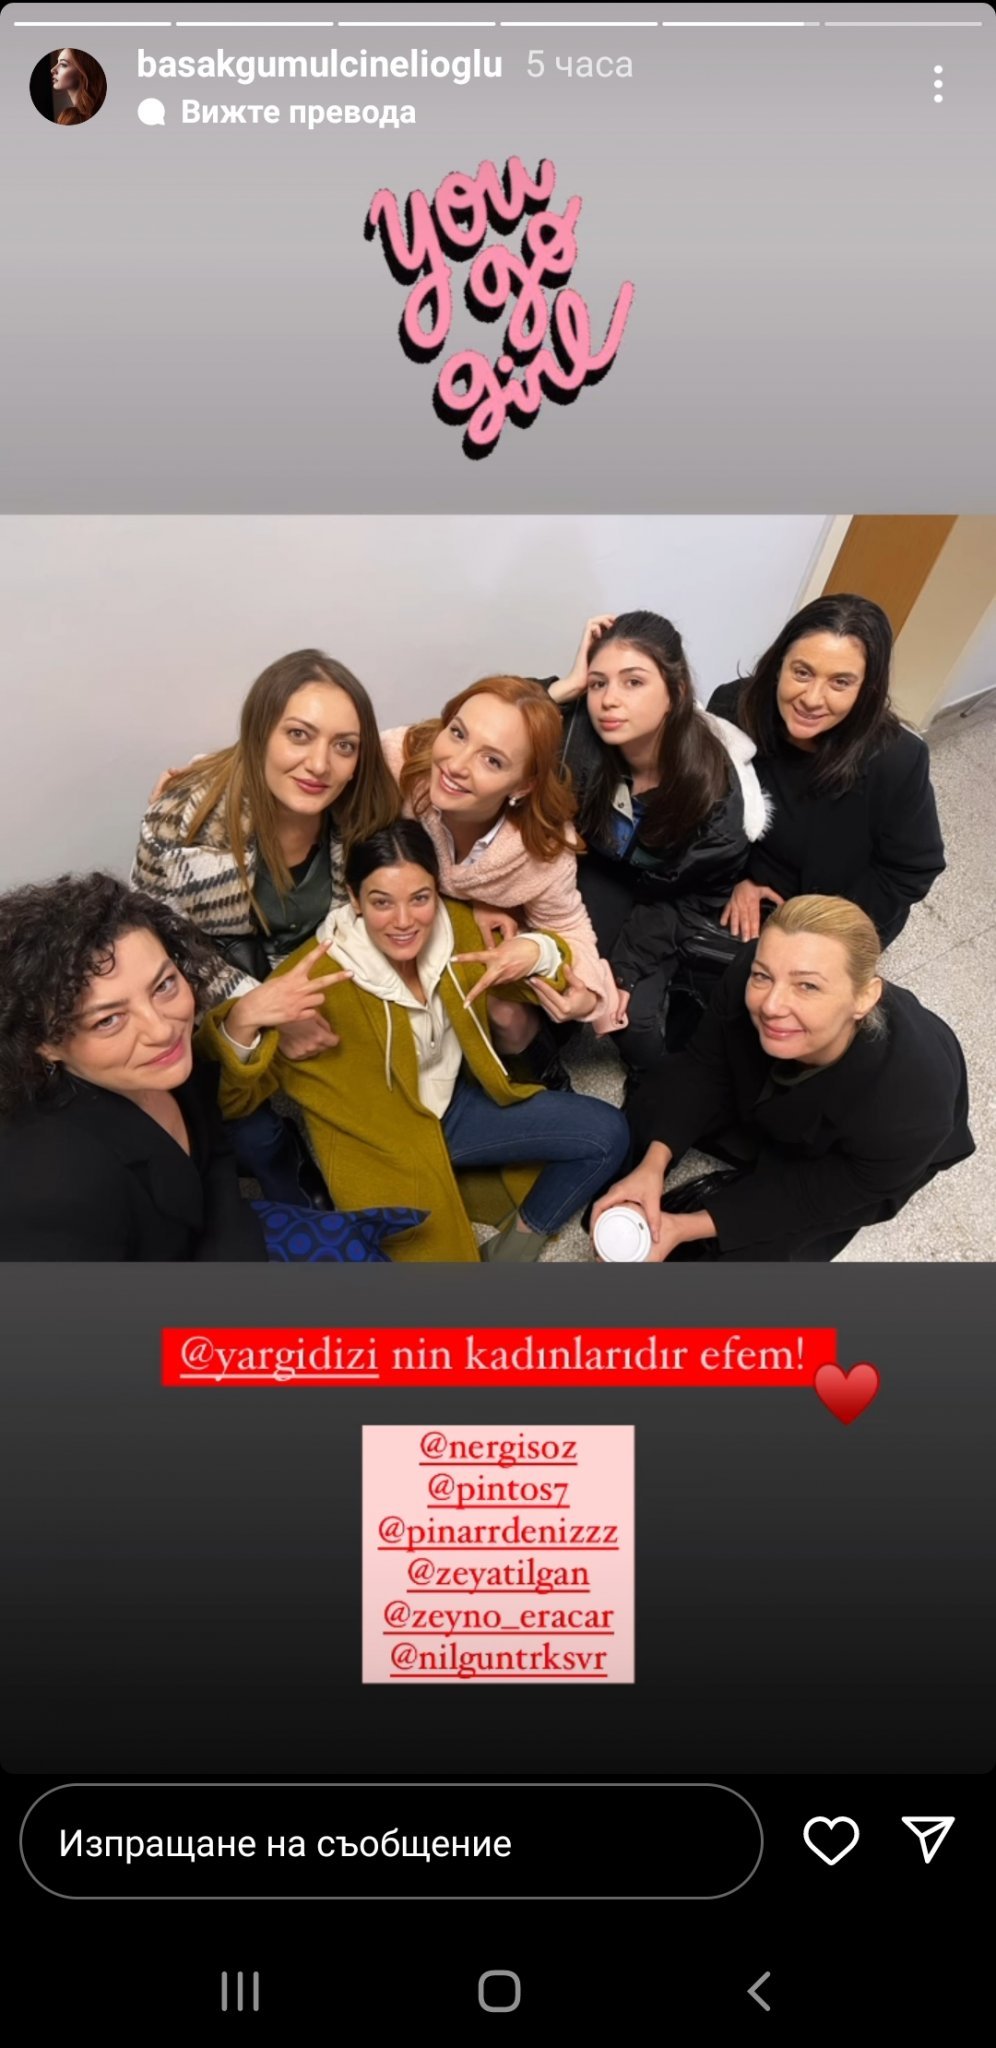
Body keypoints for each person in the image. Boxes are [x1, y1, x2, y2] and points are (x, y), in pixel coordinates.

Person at [197, 822, 631, 1263]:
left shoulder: (460, 927)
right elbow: (229, 1101)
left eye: (420, 898)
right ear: (354, 899)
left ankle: (512, 1249)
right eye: (382, 902)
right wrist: (243, 1019)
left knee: (609, 1134)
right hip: (380, 1146)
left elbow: (548, 976)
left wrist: (538, 950)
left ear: (436, 891)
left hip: (457, 1109)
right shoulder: (309, 979)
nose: (404, 921)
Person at [132, 648, 400, 1201]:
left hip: (318, 967)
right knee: (243, 1126)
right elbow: (162, 948)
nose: (320, 764)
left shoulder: (361, 809)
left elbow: (448, 743)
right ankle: (287, 1168)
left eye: (344, 745)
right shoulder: (185, 819)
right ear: (260, 732)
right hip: (217, 982)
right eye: (299, 735)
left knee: (384, 1084)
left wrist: (556, 691)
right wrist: (266, 1010)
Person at [592, 894, 973, 1263]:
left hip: (850, 1155)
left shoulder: (913, 1105)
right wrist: (653, 1166)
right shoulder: (750, 969)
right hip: (770, 1088)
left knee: (754, 1255)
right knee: (655, 1101)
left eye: (807, 986)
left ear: (864, 997)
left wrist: (682, 1227)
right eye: (764, 976)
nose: (771, 1005)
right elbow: (705, 1066)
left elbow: (809, 1198)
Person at [543, 611, 769, 1068]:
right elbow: (498, 725)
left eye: (633, 682)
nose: (608, 700)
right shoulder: (579, 736)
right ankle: (541, 1063)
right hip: (601, 870)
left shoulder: (718, 799)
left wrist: (623, 970)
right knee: (562, 974)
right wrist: (566, 687)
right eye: (598, 683)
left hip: (670, 901)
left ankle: (654, 1090)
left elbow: (696, 898)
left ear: (676, 693)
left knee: (633, 1021)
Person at [0, 873, 266, 1261]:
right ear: (45, 1044)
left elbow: (214, 1164)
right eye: (108, 1020)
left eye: (164, 985)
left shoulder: (158, 1063)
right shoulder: (53, 1191)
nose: (162, 1029)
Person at [380, 676, 628, 1076]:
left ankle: (545, 1073)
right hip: (425, 915)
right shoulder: (400, 760)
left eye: (492, 761)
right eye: (457, 733)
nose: (455, 766)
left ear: (524, 785)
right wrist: (474, 900)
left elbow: (570, 929)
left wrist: (591, 996)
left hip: (511, 954)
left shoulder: (542, 850)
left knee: (506, 1015)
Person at [708, 594, 945, 946]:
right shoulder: (733, 708)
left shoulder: (897, 760)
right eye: (802, 672)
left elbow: (911, 869)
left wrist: (816, 929)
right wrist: (738, 879)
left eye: (840, 682)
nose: (812, 699)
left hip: (835, 915)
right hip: (744, 883)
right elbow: (709, 813)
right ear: (779, 664)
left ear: (867, 689)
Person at [50, 48, 106, 124]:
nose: (53, 69)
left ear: (83, 71)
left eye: (63, 64)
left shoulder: (73, 119)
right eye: (57, 62)